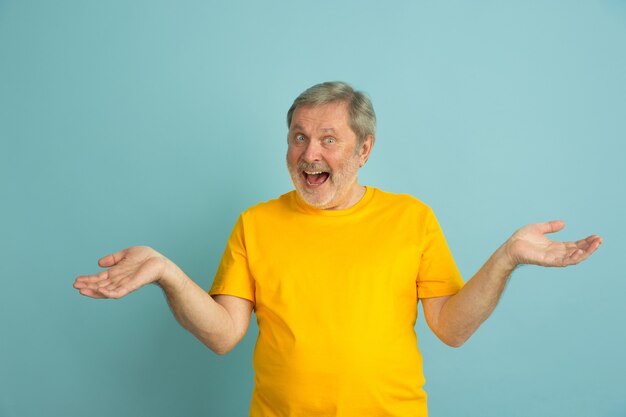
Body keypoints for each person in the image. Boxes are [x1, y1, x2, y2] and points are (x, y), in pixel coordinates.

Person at [73, 81, 602, 417]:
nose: (309, 153)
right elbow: (223, 334)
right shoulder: (255, 224)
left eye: (329, 138)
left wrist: (507, 256)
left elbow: (452, 327)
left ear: (364, 148)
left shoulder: (410, 217)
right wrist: (167, 272)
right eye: (298, 137)